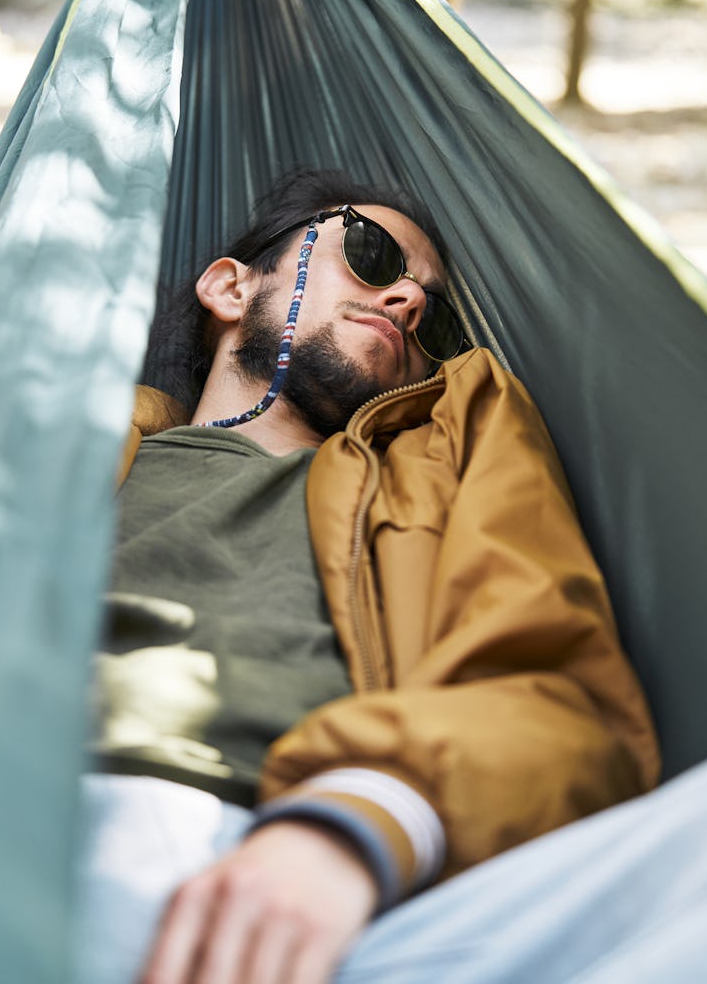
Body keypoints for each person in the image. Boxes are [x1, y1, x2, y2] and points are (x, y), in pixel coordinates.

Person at [74, 168, 660, 984]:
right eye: (371, 253)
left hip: (354, 883)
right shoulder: (65, 434)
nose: (410, 302)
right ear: (229, 286)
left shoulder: (446, 457)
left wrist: (358, 821)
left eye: (436, 312)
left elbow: (559, 694)